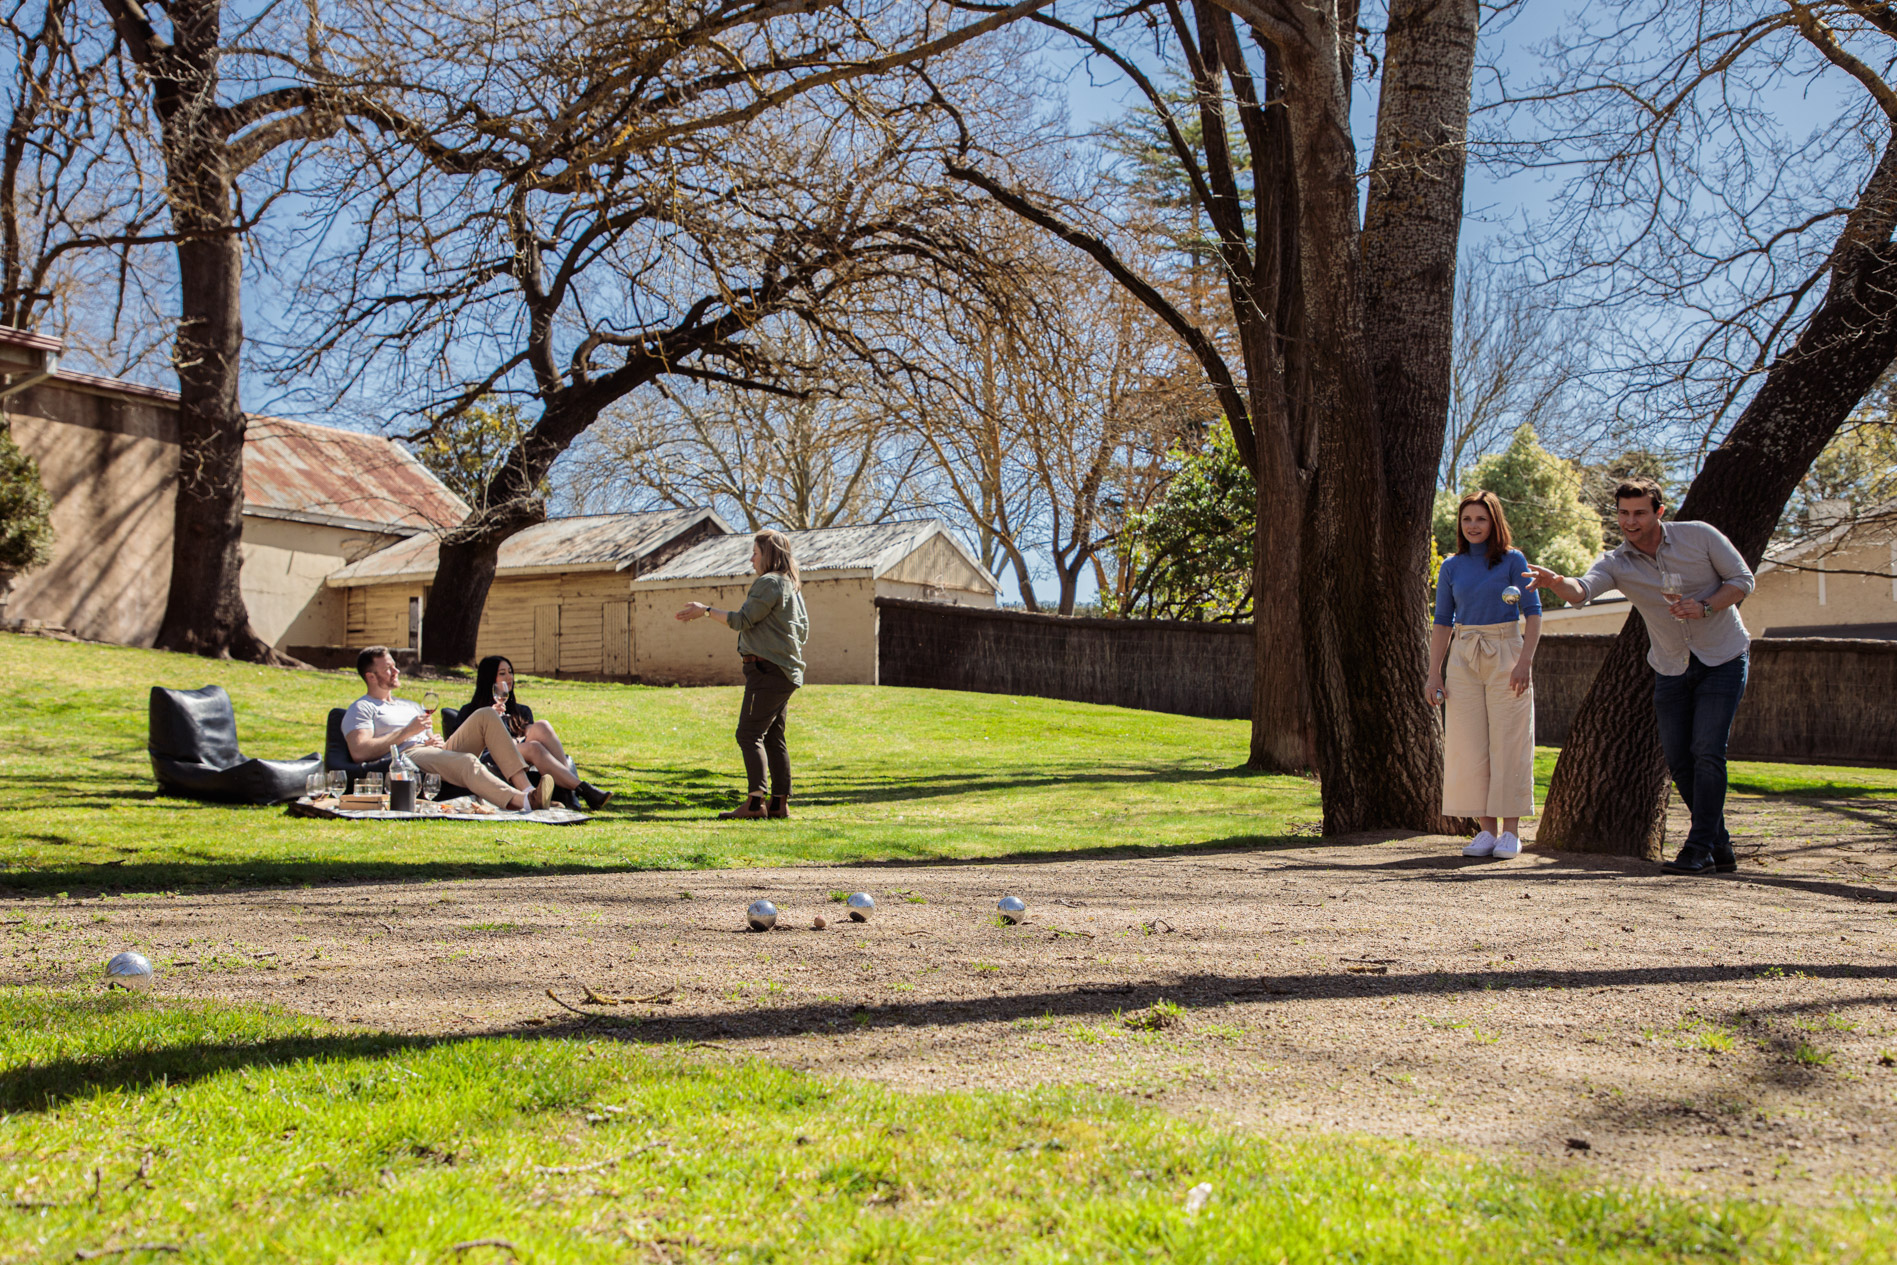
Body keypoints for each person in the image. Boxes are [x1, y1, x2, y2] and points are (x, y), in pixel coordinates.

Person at [1522, 478, 1755, 876]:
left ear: (1658, 512)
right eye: (1624, 513)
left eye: (1639, 513)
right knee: (1680, 761)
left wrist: (1705, 606)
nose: (1630, 521)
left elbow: (1742, 581)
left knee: (1707, 752)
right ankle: (1721, 845)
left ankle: (1698, 849)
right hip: (1669, 666)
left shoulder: (1699, 537)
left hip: (1722, 657)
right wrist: (1557, 582)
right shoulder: (1617, 562)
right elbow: (1583, 591)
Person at [1426, 490, 1543, 859]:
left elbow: (1534, 614)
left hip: (1506, 650)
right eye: (1466, 520)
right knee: (1469, 743)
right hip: (1463, 655)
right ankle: (1485, 831)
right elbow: (1443, 621)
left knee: (1509, 740)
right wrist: (1434, 674)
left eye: (1480, 519)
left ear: (1494, 522)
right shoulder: (1451, 567)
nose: (1473, 526)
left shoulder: (1513, 560)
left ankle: (1511, 832)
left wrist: (1524, 661)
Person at [675, 529, 810, 820]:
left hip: (766, 671)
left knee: (748, 734)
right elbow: (804, 631)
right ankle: (778, 804)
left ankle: (754, 803)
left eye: (755, 553)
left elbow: (742, 620)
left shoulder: (768, 583)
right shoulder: (791, 586)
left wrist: (706, 610)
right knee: (773, 737)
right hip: (783, 672)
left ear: (769, 554)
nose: (751, 560)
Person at [343, 646, 554, 811]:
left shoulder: (409, 705)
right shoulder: (362, 708)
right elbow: (359, 751)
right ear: (371, 676)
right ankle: (524, 802)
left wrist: (432, 740)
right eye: (388, 668)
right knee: (467, 761)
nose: (396, 671)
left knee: (487, 714)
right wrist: (407, 732)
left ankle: (528, 790)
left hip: (433, 751)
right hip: (406, 756)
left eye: (394, 665)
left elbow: (429, 742)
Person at [456, 656, 613, 811]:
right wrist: (491, 717)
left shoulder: (521, 711)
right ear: (489, 678)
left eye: (510, 672)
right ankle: (580, 791)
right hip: (489, 759)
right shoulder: (470, 711)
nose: (509, 677)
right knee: (534, 748)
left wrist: (516, 741)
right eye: (502, 673)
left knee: (542, 726)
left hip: (519, 759)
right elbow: (463, 746)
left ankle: (570, 793)